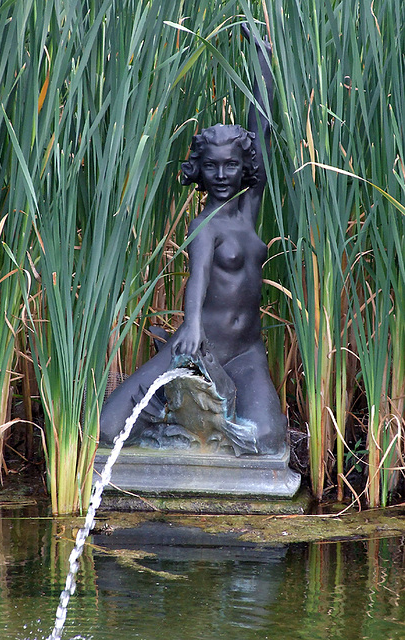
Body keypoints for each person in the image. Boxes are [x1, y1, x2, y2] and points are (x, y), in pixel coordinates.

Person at [100, 24, 287, 455]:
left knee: (268, 439)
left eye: (231, 166)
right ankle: (177, 422)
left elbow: (263, 131)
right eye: (213, 168)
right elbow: (198, 275)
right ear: (199, 172)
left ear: (245, 168)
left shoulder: (249, 210)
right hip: (199, 348)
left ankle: (202, 423)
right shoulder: (204, 224)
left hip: (245, 354)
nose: (222, 177)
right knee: (110, 428)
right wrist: (192, 324)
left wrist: (263, 61)